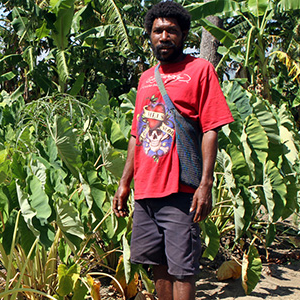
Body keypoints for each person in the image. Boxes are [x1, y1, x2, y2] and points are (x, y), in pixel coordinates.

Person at [112, 1, 234, 300]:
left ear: (183, 35)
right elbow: (136, 135)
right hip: (147, 190)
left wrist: (205, 184)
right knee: (158, 265)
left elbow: (211, 128)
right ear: (149, 36)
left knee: (183, 268)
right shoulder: (145, 79)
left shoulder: (199, 70)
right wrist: (124, 183)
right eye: (158, 31)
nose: (164, 37)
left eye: (171, 31)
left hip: (181, 189)